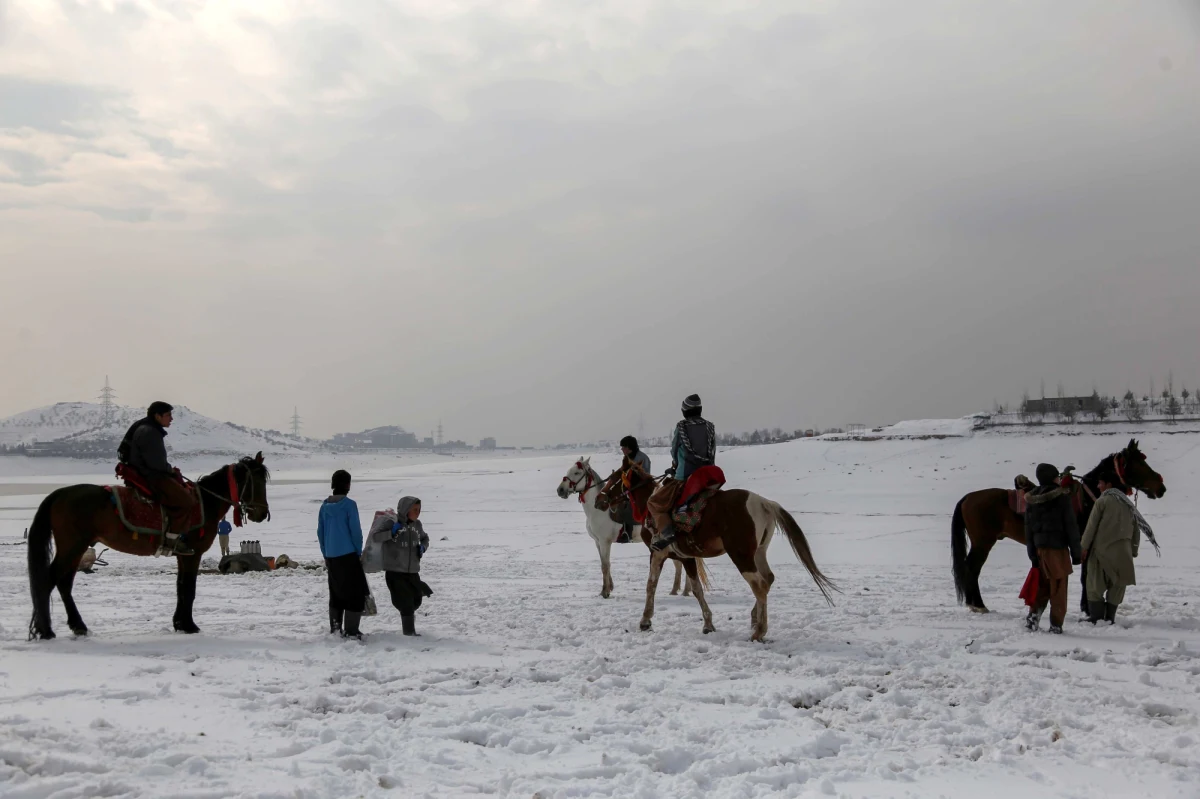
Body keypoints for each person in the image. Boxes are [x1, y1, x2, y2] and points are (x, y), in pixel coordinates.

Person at [118, 401, 198, 555]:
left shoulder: (146, 428)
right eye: (168, 415)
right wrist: (171, 471)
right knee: (187, 501)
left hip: (146, 472)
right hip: (151, 476)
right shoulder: (150, 432)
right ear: (157, 416)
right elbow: (156, 464)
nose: (171, 419)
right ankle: (171, 540)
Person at [648, 394, 716, 551]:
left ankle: (668, 534)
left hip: (685, 476)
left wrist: (675, 466)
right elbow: (712, 451)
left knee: (654, 503)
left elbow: (674, 450)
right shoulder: (710, 427)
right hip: (707, 475)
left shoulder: (682, 427)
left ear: (685, 411)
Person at [1023, 463, 1081, 634]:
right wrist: (1076, 554)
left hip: (1039, 550)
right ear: (1054, 478)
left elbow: (1028, 528)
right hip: (1057, 550)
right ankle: (1056, 625)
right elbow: (1071, 526)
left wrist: (1032, 554)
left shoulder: (1031, 500)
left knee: (1042, 585)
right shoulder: (1061, 498)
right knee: (1058, 588)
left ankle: (1033, 617)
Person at [1081, 472, 1142, 625]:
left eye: (1100, 483)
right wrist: (1133, 550)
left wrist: (1083, 548)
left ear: (1109, 484)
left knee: (1094, 585)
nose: (1098, 486)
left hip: (1102, 551)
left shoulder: (1102, 501)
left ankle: (1096, 617)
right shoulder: (1128, 504)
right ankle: (1110, 617)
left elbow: (1091, 527)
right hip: (1123, 554)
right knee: (1118, 585)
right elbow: (1136, 529)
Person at [317, 470, 369, 639]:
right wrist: (358, 551)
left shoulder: (324, 506)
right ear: (347, 485)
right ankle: (352, 630)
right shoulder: (349, 505)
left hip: (331, 556)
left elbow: (320, 532)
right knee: (355, 593)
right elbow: (356, 532)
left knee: (336, 592)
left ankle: (336, 628)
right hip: (348, 555)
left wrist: (326, 553)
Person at [383, 496, 432, 636]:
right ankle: (409, 632)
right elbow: (376, 538)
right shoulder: (392, 523)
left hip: (413, 571)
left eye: (419, 510)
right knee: (405, 602)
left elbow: (425, 538)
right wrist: (391, 533)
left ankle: (409, 621)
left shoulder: (418, 525)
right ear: (405, 510)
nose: (418, 513)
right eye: (414, 510)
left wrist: (423, 546)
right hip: (395, 571)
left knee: (416, 599)